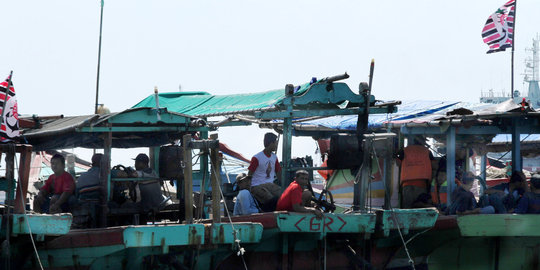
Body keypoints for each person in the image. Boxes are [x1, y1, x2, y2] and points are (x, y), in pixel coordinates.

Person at [248, 132, 282, 209]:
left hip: (270, 185)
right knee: (272, 199)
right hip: (256, 186)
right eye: (275, 143)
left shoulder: (274, 157)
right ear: (271, 143)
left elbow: (279, 173)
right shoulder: (257, 157)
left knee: (284, 196)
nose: (276, 145)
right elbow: (250, 174)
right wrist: (249, 189)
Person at [397, 137, 433, 208]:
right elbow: (434, 165)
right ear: (423, 142)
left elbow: (398, 163)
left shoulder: (404, 150)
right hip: (421, 184)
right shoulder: (427, 151)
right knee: (420, 207)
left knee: (407, 209)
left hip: (406, 184)